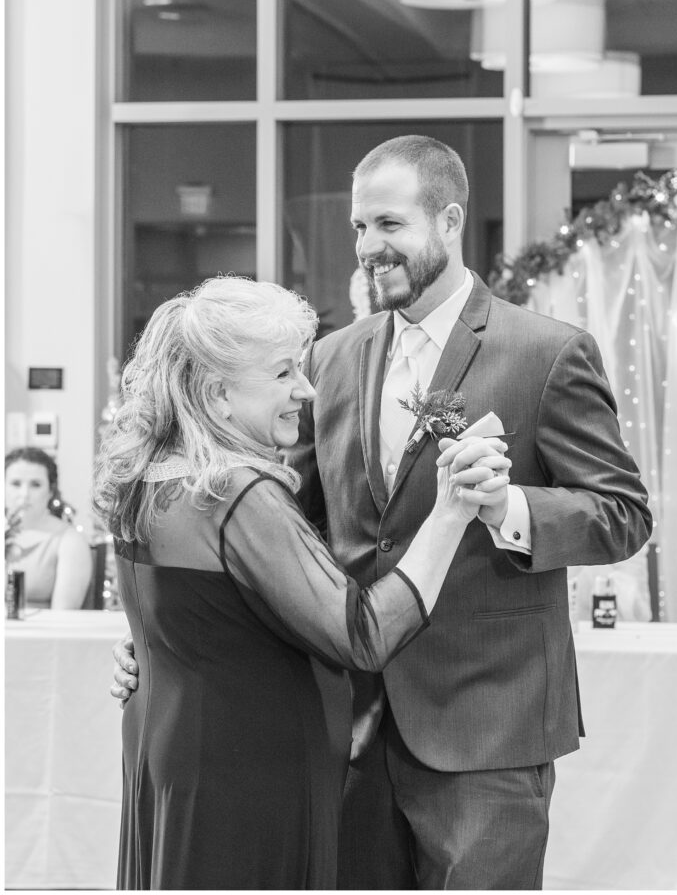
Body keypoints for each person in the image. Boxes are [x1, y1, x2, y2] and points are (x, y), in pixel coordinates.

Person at [113, 136, 653, 890]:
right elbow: (275, 532)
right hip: (346, 725)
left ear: (449, 220)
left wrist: (508, 508)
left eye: (390, 225)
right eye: (360, 227)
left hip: (484, 733)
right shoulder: (331, 358)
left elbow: (623, 513)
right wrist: (171, 640)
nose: (369, 246)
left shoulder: (546, 353)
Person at [96, 275, 510, 890]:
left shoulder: (146, 478)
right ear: (217, 395)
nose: (307, 389)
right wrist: (452, 510)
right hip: (243, 772)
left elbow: (187, 613)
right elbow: (364, 634)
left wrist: (151, 646)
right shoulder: (238, 494)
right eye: (285, 373)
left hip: (174, 749)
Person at [5, 447, 93, 609]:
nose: (24, 494)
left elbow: (63, 618)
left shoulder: (70, 541)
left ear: (50, 491)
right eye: (16, 484)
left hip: (37, 633)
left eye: (35, 485)